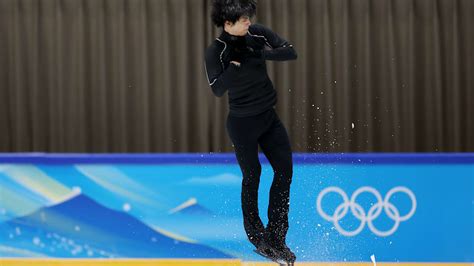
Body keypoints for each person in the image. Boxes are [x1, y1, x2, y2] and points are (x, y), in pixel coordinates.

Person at [204, 0, 297, 263]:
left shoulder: (257, 34)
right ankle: (258, 238)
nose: (248, 21)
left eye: (248, 17)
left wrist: (262, 53)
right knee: (252, 174)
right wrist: (234, 66)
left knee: (285, 170)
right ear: (227, 23)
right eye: (243, 18)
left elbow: (290, 52)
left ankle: (277, 238)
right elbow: (217, 89)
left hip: (269, 118)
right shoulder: (216, 50)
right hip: (242, 123)